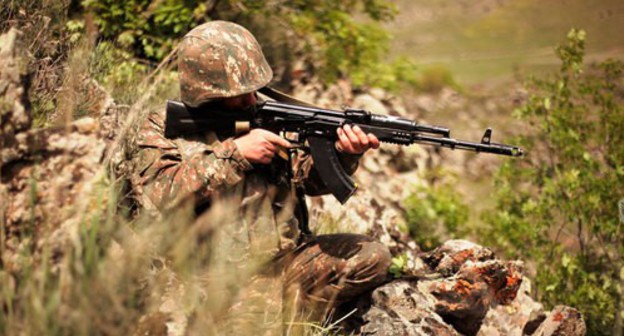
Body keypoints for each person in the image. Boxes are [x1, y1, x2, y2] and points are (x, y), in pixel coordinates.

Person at [128, 20, 391, 333]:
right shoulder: (161, 129)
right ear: (207, 92)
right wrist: (236, 155)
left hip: (285, 261)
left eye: (253, 90)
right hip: (215, 278)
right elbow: (161, 193)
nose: (251, 100)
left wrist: (345, 154)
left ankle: (291, 314)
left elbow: (307, 179)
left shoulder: (261, 116)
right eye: (239, 95)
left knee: (372, 256)